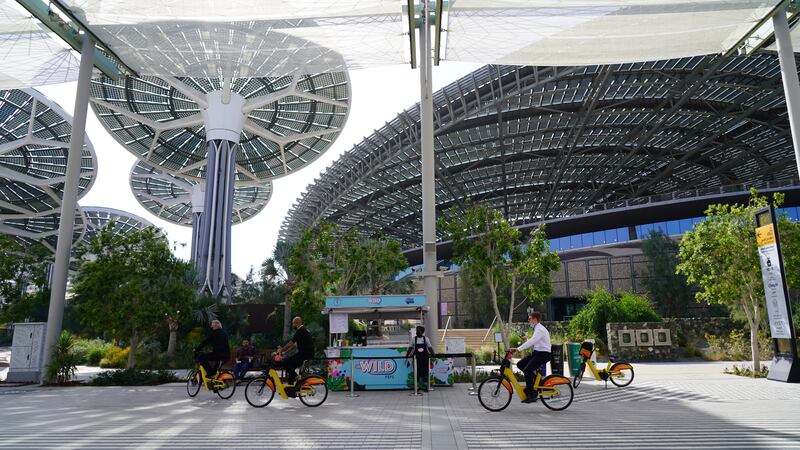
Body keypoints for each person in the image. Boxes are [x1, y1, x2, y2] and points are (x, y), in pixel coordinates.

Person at [510, 312, 551, 403]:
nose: (528, 321)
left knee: (528, 370)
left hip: (543, 354)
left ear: (535, 320)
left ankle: (531, 394)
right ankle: (537, 383)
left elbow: (533, 341)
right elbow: (534, 343)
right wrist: (526, 340)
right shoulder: (537, 329)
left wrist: (518, 349)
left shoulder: (540, 329)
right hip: (537, 353)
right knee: (520, 364)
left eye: (529, 319)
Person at [273, 317, 314, 384]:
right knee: (291, 367)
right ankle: (291, 389)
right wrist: (285, 352)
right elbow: (294, 345)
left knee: (286, 363)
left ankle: (297, 377)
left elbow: (291, 342)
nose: (292, 325)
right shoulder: (304, 330)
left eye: (293, 323)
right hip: (307, 354)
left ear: (296, 323)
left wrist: (281, 350)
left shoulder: (300, 331)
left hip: (304, 354)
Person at [195, 320, 231, 386]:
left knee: (201, 358)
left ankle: (210, 373)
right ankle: (215, 384)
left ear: (217, 325)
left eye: (212, 325)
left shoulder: (214, 333)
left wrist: (197, 349)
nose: (211, 327)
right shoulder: (224, 333)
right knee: (215, 367)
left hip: (218, 355)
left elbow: (205, 342)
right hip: (226, 355)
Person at [405, 325, 434, 391]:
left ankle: (426, 387)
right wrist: (407, 356)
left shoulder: (426, 339)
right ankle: (417, 387)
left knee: (425, 372)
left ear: (422, 332)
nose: (417, 332)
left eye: (418, 330)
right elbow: (410, 348)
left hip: (425, 358)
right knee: (417, 372)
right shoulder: (413, 339)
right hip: (416, 359)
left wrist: (434, 355)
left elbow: (430, 348)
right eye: (416, 330)